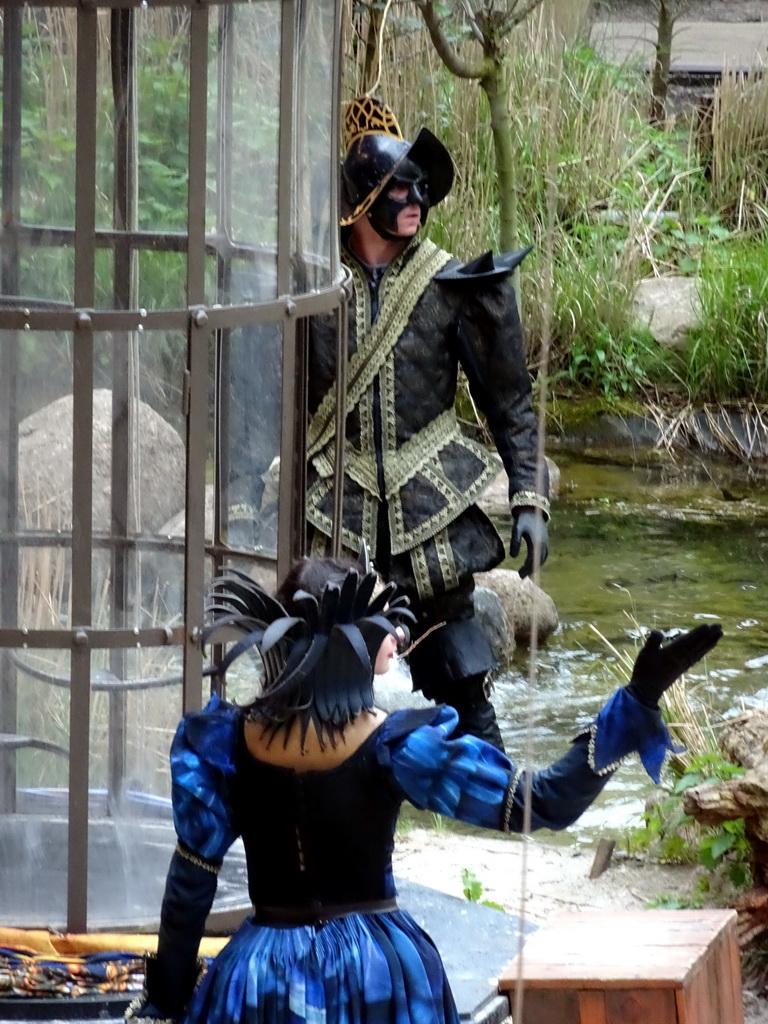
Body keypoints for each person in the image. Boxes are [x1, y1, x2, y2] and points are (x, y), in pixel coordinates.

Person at [127, 557, 722, 1024]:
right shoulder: (400, 748)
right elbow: (543, 802)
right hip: (378, 978)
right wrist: (635, 702)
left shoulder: (225, 744)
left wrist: (167, 1002)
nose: (399, 634)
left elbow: (189, 886)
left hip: (258, 982)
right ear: (352, 642)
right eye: (386, 626)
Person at [306, 96, 549, 751]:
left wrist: (530, 497)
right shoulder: (310, 285)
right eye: (400, 185)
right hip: (335, 516)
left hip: (431, 520)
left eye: (423, 185)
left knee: (464, 687)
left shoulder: (454, 288)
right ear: (360, 200)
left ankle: (494, 814)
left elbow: (511, 403)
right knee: (327, 699)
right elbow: (262, 402)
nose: (417, 197)